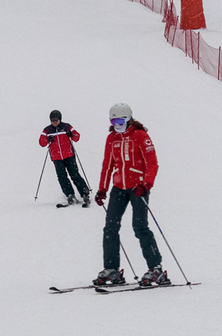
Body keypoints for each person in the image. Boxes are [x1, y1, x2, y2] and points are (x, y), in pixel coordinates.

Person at [93, 103, 166, 287]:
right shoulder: (112, 139)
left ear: (128, 119)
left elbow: (152, 163)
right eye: (113, 121)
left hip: (137, 187)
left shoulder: (140, 136)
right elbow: (107, 165)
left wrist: (146, 184)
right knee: (110, 227)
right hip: (119, 187)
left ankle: (155, 268)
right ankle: (112, 270)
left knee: (140, 227)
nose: (117, 124)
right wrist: (102, 189)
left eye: (120, 120)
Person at [39, 110, 89, 207]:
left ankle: (84, 193)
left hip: (69, 156)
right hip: (57, 158)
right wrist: (47, 139)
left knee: (74, 175)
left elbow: (77, 136)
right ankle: (69, 194)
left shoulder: (66, 127)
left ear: (60, 119)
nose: (54, 122)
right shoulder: (47, 130)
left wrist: (71, 134)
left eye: (56, 120)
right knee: (62, 177)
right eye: (52, 120)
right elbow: (41, 143)